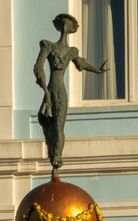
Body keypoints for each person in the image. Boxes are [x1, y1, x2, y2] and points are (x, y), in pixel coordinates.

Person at [34, 13, 108, 171]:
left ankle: (57, 157)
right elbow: (38, 68)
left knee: (59, 126)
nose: (65, 27)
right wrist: (45, 91)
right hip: (51, 89)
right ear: (60, 27)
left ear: (70, 29)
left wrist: (98, 71)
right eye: (63, 24)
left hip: (61, 91)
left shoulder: (72, 51)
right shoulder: (48, 46)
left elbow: (82, 64)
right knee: (48, 124)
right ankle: (51, 150)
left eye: (68, 25)